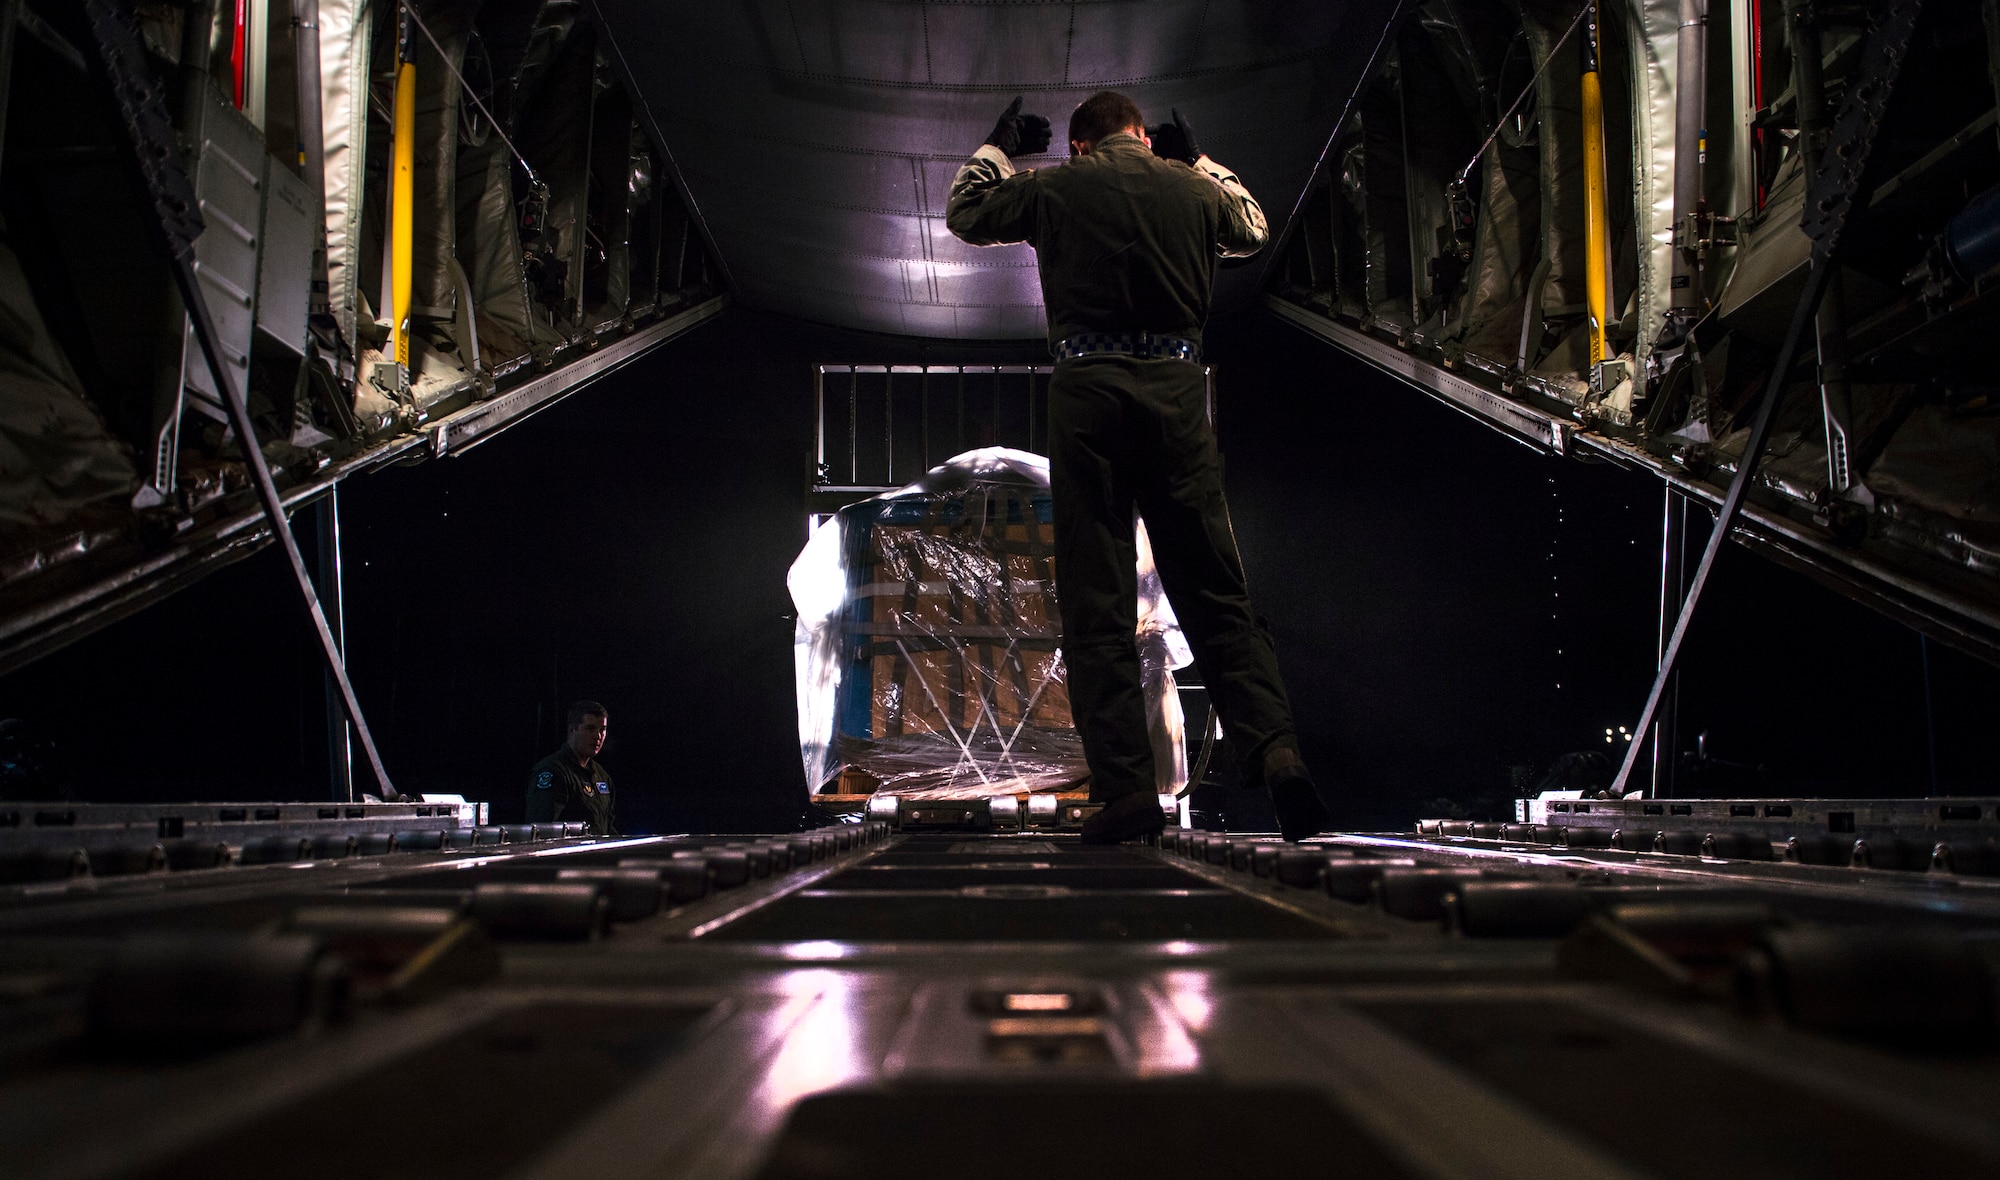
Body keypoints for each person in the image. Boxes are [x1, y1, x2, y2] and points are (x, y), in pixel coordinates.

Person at [946, 92, 1329, 844]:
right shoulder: (1191, 188)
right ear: (1144, 138)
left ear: (1081, 147)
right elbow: (1251, 227)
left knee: (1099, 596)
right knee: (1216, 589)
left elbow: (968, 211)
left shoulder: (1055, 187)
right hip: (1179, 395)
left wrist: (998, 146)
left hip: (1088, 393)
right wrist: (1200, 160)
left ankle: (1126, 793)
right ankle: (1278, 753)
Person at [526, 700, 616, 834]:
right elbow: (541, 830)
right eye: (590, 728)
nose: (598, 736)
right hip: (567, 854)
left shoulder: (601, 776)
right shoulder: (552, 771)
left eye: (602, 730)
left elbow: (609, 827)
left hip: (598, 854)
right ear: (572, 730)